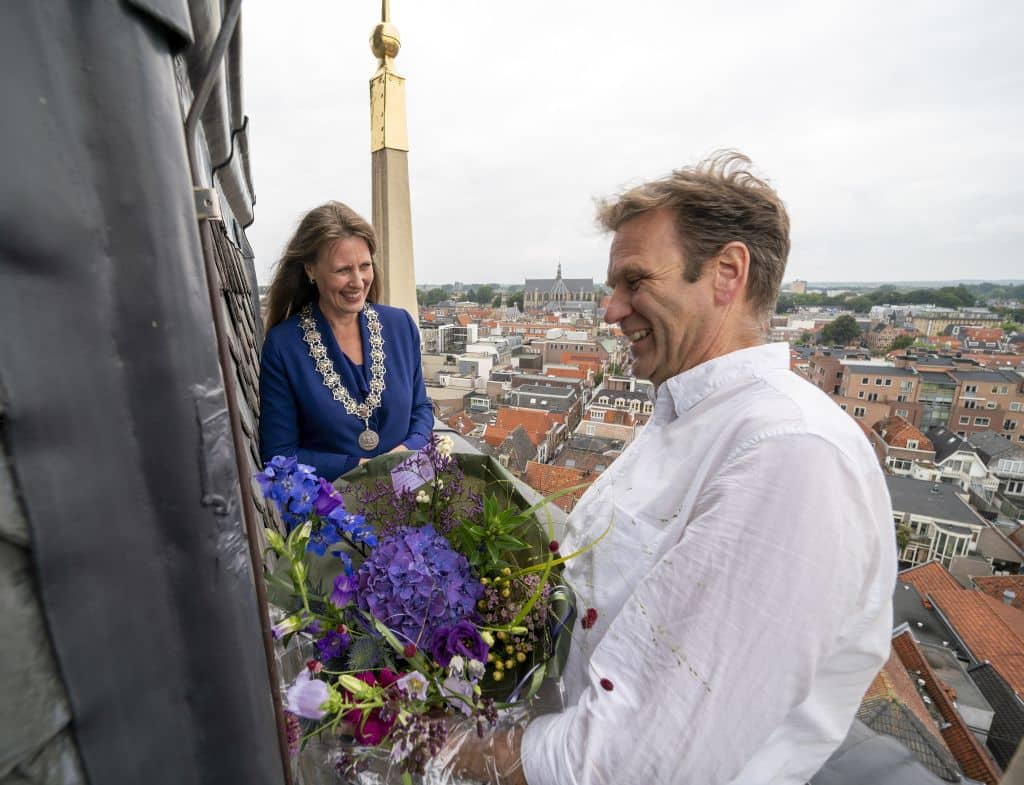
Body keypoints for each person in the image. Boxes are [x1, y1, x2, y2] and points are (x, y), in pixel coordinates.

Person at [449, 152, 895, 784]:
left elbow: (636, 760)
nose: (609, 309)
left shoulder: (790, 455)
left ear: (727, 274)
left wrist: (443, 746)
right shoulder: (691, 414)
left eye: (635, 281)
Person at [259, 201, 433, 481]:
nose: (358, 280)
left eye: (364, 266)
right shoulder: (283, 347)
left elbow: (421, 409)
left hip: (410, 491)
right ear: (311, 270)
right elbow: (279, 455)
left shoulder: (400, 325)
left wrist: (404, 454)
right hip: (334, 511)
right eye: (342, 270)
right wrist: (361, 469)